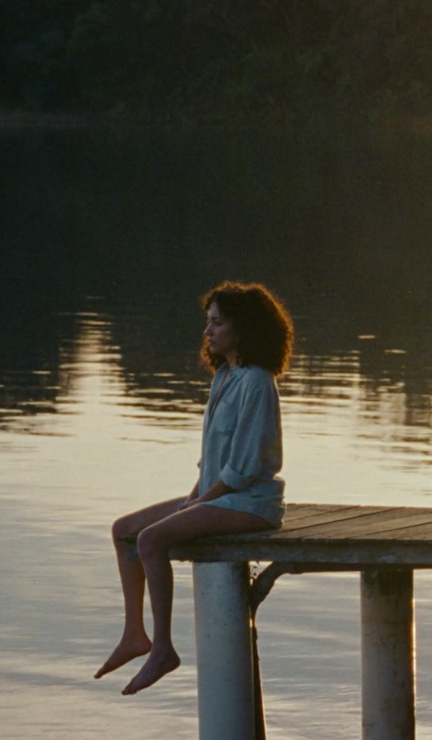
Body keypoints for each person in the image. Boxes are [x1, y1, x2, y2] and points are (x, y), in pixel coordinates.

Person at [95, 281, 293, 695]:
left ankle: (163, 648)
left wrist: (200, 501)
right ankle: (135, 633)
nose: (208, 331)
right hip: (220, 493)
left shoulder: (257, 381)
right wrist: (194, 493)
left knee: (151, 540)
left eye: (218, 323)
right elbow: (216, 458)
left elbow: (243, 467)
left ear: (243, 328)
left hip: (251, 504)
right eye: (208, 322)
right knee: (124, 530)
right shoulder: (224, 377)